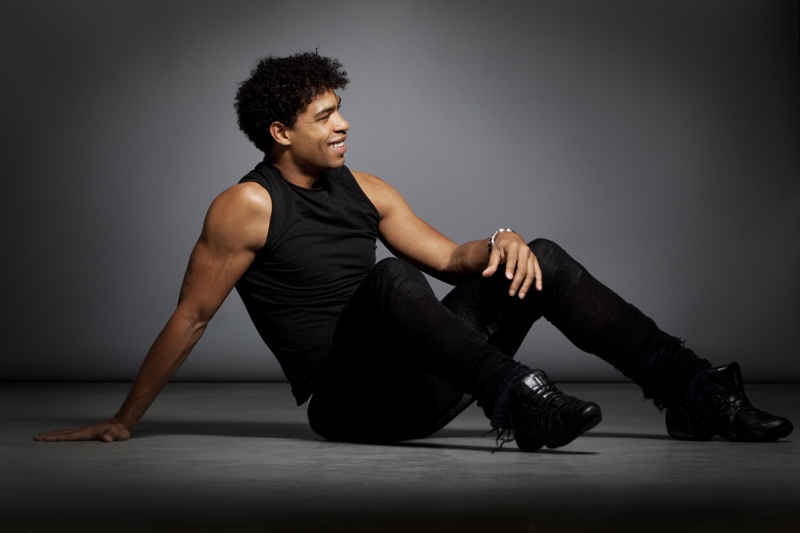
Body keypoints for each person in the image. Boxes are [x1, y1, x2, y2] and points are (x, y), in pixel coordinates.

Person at [34, 52, 792, 450]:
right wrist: (126, 417)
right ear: (280, 133)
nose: (343, 125)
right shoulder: (246, 206)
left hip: (426, 380)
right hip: (350, 404)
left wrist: (501, 239)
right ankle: (519, 398)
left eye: (341, 109)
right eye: (325, 116)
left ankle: (693, 394)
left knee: (543, 257)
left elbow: (454, 260)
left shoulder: (367, 188)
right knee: (389, 277)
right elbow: (192, 316)